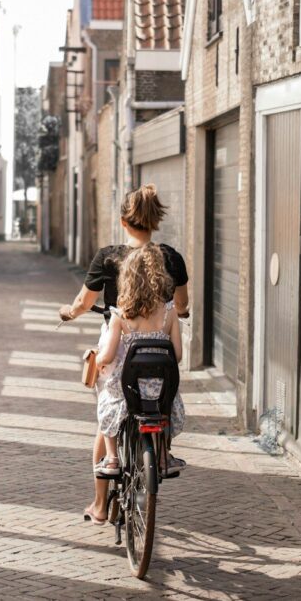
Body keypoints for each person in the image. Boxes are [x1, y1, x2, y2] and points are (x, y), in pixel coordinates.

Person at [58, 184, 189, 526]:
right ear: (156, 221)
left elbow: (83, 302)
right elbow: (183, 304)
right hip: (159, 344)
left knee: (109, 415)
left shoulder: (108, 257)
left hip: (119, 342)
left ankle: (101, 504)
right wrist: (175, 313)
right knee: (157, 400)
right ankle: (161, 452)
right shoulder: (171, 258)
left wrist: (69, 313)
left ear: (123, 221)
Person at [93, 243, 186, 480]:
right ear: (161, 277)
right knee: (162, 410)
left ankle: (112, 458)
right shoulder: (169, 312)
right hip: (161, 388)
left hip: (128, 387)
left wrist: (98, 360)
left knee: (106, 399)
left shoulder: (120, 315)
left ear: (127, 279)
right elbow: (177, 355)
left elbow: (108, 355)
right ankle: (163, 456)